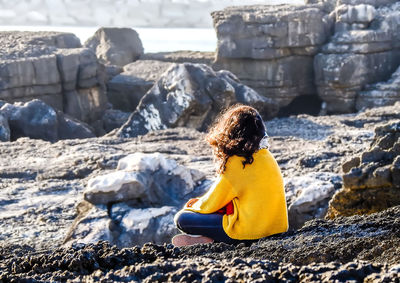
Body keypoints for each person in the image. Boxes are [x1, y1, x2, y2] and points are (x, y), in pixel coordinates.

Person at [172, 104, 288, 246]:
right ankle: (209, 240)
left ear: (231, 131)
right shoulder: (267, 156)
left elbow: (212, 202)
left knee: (182, 218)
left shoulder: (238, 161)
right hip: (276, 229)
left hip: (250, 233)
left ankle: (211, 241)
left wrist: (191, 206)